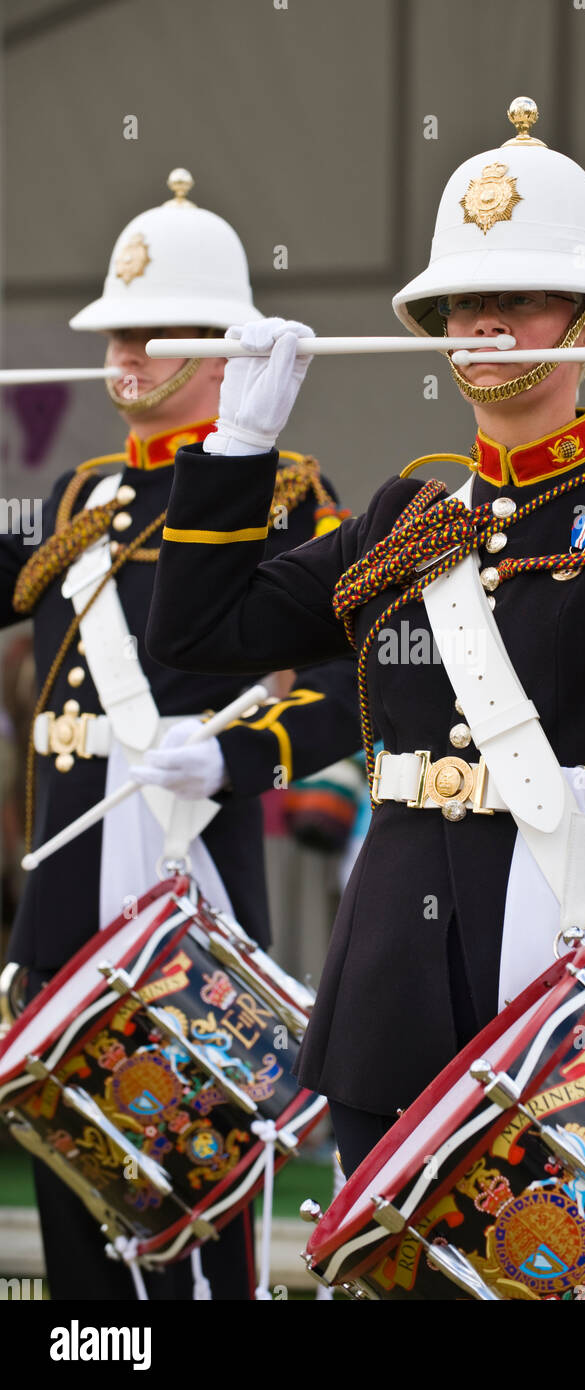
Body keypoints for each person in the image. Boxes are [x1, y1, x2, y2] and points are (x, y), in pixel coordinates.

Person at [147, 99, 585, 1178]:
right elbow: (195, 636)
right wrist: (237, 447)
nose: (482, 325)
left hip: (584, 926)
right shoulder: (400, 519)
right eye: (463, 303)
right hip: (394, 961)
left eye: (517, 301)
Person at [0, 170, 361, 1297]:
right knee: (71, 1186)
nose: (126, 355)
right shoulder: (78, 493)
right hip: (66, 875)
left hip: (185, 858)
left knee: (189, 1185)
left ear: (223, 349)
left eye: (154, 334)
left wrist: (241, 755)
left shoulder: (289, 488)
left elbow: (354, 671)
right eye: (117, 331)